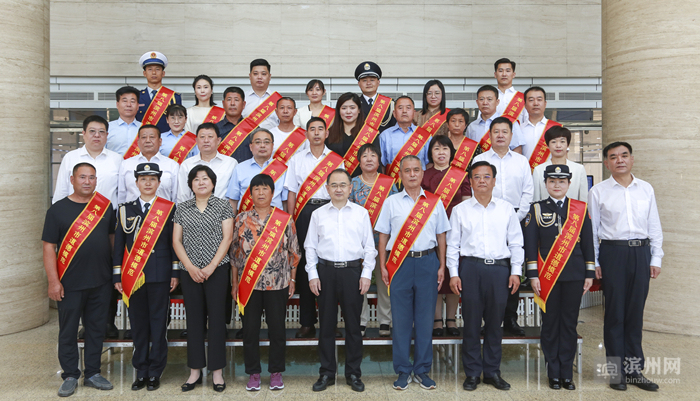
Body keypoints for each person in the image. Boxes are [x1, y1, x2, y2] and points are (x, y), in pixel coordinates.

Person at [588, 142, 663, 392]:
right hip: (613, 253)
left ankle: (634, 370)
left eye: (624, 155)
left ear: (632, 159)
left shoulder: (646, 189)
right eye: (613, 157)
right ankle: (615, 371)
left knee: (634, 314)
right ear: (607, 163)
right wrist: (595, 262)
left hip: (641, 253)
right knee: (615, 314)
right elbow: (593, 231)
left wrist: (656, 258)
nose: (619, 160)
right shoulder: (598, 191)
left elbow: (654, 226)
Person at [447, 161, 523, 392]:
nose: (482, 180)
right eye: (477, 177)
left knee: (494, 324)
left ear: (494, 181)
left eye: (486, 176)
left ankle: (491, 372)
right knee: (470, 323)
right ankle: (472, 373)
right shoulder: (460, 210)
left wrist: (516, 271)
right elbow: (453, 246)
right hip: (470, 268)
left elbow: (516, 243)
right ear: (470, 181)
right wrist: (453, 274)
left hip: (499, 270)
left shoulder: (506, 208)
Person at [42, 162, 117, 397]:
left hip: (101, 281)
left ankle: (93, 372)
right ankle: (71, 375)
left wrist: (115, 273)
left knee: (96, 329)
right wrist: (53, 282)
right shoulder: (57, 210)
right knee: (68, 331)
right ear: (72, 180)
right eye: (82, 177)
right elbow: (48, 248)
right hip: (69, 284)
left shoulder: (105, 207)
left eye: (92, 177)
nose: (87, 181)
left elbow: (113, 240)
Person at [376, 155, 450, 391]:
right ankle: (402, 370)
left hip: (428, 262)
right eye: (407, 170)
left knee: (425, 319)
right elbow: (383, 236)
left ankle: (422, 369)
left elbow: (441, 236)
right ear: (401, 174)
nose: (412, 175)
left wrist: (441, 265)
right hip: (400, 265)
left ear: (422, 173)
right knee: (401, 320)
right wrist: (382, 265)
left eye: (416, 170)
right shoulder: (391, 202)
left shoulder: (434, 202)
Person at [524, 164, 595, 390]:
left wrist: (589, 273)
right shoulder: (535, 209)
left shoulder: (580, 209)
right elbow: (530, 246)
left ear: (568, 184)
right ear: (545, 184)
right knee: (550, 324)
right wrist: (533, 275)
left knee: (569, 324)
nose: (557, 185)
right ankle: (553, 371)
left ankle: (567, 372)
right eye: (552, 181)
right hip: (547, 276)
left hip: (574, 274)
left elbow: (588, 244)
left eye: (561, 181)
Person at [305, 169, 377, 392]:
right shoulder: (318, 214)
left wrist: (366, 275)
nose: (338, 189)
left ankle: (353, 373)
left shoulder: (361, 213)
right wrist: (313, 275)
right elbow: (310, 246)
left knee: (354, 327)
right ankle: (326, 373)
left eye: (342, 185)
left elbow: (369, 248)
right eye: (334, 185)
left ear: (350, 187)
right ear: (327, 188)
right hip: (325, 273)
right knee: (326, 326)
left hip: (352, 273)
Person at [230, 173, 300, 392]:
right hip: (248, 285)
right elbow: (234, 255)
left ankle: (276, 372)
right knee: (249, 330)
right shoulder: (241, 219)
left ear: (273, 193)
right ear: (250, 194)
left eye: (265, 189)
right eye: (256, 189)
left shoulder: (284, 219)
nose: (260, 193)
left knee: (277, 330)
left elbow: (294, 253)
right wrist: (234, 284)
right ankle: (253, 373)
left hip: (277, 284)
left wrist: (292, 279)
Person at [112, 163, 179, 392]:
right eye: (143, 179)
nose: (148, 182)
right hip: (133, 276)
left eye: (152, 179)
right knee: (139, 325)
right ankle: (141, 370)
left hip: (160, 275)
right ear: (136, 182)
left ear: (159, 183)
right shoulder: (124, 209)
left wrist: (175, 272)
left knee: (159, 324)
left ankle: (155, 371)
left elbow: (173, 244)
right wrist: (117, 275)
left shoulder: (168, 209)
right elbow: (119, 245)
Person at [173, 165, 234, 393]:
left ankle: (217, 372)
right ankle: (195, 371)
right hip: (190, 272)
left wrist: (210, 267)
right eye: (196, 179)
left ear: (213, 183)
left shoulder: (223, 206)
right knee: (194, 321)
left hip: (217, 271)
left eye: (205, 178)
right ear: (190, 184)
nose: (201, 182)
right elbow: (176, 241)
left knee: (217, 320)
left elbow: (227, 239)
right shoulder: (182, 208)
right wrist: (189, 266)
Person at [284, 117, 345, 338]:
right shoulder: (296, 160)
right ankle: (307, 321)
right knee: (304, 265)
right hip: (304, 212)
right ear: (306, 133)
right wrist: (291, 220)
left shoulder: (336, 160)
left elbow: (341, 189)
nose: (317, 133)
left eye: (321, 129)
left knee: (329, 265)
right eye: (312, 129)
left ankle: (331, 322)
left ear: (327, 133)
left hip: (330, 211)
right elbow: (292, 191)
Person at [472, 116, 533, 337]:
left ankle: (510, 318)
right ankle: (486, 320)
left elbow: (528, 191)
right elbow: (475, 190)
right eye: (496, 131)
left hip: (516, 217)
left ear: (511, 135)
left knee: (512, 269)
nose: (500, 135)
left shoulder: (521, 161)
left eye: (504, 132)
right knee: (489, 269)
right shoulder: (480, 159)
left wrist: (518, 216)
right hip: (488, 218)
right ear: (489, 135)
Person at [421, 135, 471, 336]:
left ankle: (451, 319)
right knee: (435, 275)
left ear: (451, 152)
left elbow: (467, 204)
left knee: (453, 274)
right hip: (430, 231)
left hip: (456, 230)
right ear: (430, 153)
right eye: (436, 149)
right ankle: (436, 320)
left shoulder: (461, 175)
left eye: (445, 149)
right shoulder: (424, 175)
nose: (441, 153)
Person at [351, 144, 399, 337]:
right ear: (359, 161)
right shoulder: (352, 183)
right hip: (358, 243)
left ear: (379, 161)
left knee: (384, 280)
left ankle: (385, 321)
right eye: (365, 156)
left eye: (373, 155)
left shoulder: (389, 182)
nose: (369, 159)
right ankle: (361, 320)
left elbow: (396, 212)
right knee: (359, 282)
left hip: (383, 242)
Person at [54, 115, 122, 209]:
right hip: (76, 217)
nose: (97, 135)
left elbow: (122, 193)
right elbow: (61, 191)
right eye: (92, 131)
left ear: (107, 135)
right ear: (84, 134)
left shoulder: (117, 159)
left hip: (107, 216)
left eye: (101, 132)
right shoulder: (70, 157)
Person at [227, 128, 288, 212]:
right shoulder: (240, 168)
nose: (262, 145)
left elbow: (285, 201)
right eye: (258, 142)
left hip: (274, 221)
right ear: (251, 146)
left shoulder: (283, 169)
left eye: (266, 142)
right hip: (246, 221)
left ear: (272, 146)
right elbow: (233, 199)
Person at [177, 123, 237, 203]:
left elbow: (234, 196)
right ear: (196, 141)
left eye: (210, 137)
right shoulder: (187, 165)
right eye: (202, 137)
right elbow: (183, 196)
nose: (206, 140)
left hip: (223, 213)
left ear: (218, 140)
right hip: (193, 213)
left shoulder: (231, 163)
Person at [118, 124, 179, 204]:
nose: (148, 140)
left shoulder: (172, 165)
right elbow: (121, 196)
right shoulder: (126, 164)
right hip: (133, 215)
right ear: (138, 142)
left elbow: (176, 197)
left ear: (160, 141)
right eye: (143, 137)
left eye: (152, 137)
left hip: (161, 214)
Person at [532, 126, 588, 201]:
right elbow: (536, 199)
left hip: (573, 212)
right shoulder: (539, 170)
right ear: (547, 145)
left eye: (562, 141)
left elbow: (583, 200)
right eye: (553, 142)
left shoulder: (579, 169)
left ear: (568, 144)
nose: (558, 145)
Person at [327, 92, 376, 176]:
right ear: (338, 111)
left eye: (352, 108)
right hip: (336, 184)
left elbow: (376, 164)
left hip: (362, 185)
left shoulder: (369, 134)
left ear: (359, 110)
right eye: (344, 108)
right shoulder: (329, 134)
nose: (348, 112)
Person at [467, 85, 525, 155]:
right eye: (481, 99)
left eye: (489, 99)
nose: (485, 103)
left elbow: (517, 150)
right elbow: (469, 151)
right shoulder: (472, 127)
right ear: (477, 102)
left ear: (497, 102)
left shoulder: (510, 123)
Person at [379, 96, 431, 172]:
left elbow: (429, 164)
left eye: (408, 108)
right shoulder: (385, 136)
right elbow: (382, 165)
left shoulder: (425, 136)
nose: (404, 111)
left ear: (414, 113)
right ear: (394, 113)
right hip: (394, 182)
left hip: (419, 182)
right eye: (400, 108)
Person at [136, 51, 182, 134]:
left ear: (163, 73)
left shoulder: (174, 97)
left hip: (166, 142)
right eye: (150, 69)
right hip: (143, 143)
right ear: (144, 73)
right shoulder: (137, 97)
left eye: (157, 69)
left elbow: (178, 122)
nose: (154, 72)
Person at [215, 86, 253, 163]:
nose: (232, 103)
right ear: (223, 103)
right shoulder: (215, 129)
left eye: (236, 100)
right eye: (229, 100)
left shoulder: (253, 128)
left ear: (243, 104)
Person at [355, 61, 395, 131]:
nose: (368, 83)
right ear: (359, 84)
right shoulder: (354, 103)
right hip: (361, 141)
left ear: (378, 82)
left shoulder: (390, 104)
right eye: (364, 80)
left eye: (372, 80)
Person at [242, 58, 280, 130]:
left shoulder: (278, 100)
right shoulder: (242, 98)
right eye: (255, 74)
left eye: (263, 74)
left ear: (269, 77)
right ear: (250, 76)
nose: (259, 77)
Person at [106, 86, 142, 155]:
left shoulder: (144, 128)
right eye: (124, 101)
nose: (128, 105)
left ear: (137, 106)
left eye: (132, 101)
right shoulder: (107, 128)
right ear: (117, 104)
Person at [493, 58, 528, 124]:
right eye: (500, 71)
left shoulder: (522, 98)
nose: (504, 74)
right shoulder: (489, 97)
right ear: (495, 74)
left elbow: (527, 123)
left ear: (513, 75)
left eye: (508, 71)